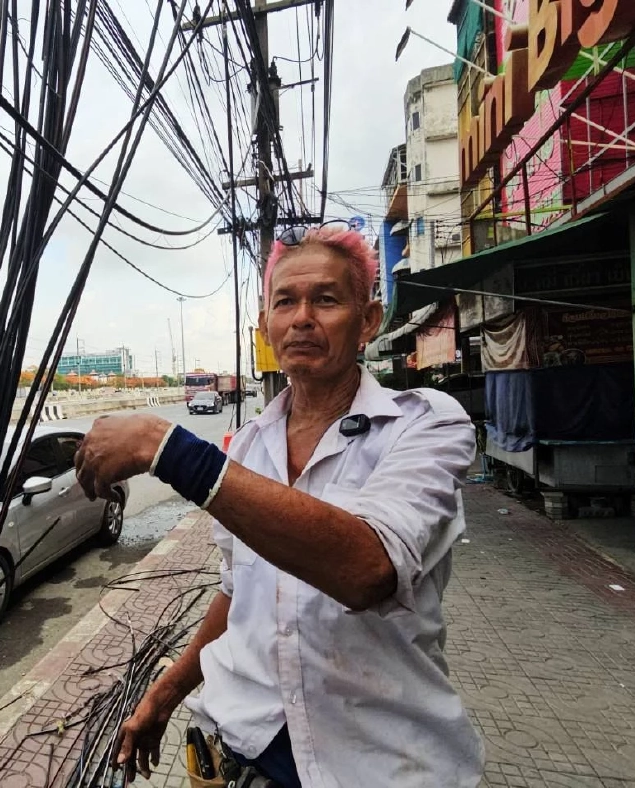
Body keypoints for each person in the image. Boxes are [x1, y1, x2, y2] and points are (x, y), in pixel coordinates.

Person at [73, 223, 484, 787]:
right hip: (246, 752)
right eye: (284, 301)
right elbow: (237, 592)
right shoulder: (247, 446)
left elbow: (366, 568)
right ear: (265, 324)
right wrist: (164, 694)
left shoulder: (424, 423)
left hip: (382, 764)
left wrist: (164, 448)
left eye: (326, 299)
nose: (302, 318)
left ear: (367, 321)